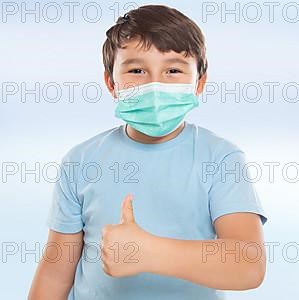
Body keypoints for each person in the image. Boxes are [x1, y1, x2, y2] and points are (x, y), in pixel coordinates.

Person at [28, 5, 267, 299]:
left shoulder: (222, 159)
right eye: (137, 70)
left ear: (199, 83)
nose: (155, 85)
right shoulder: (80, 161)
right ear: (111, 83)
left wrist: (149, 252)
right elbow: (54, 275)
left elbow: (248, 264)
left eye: (173, 70)